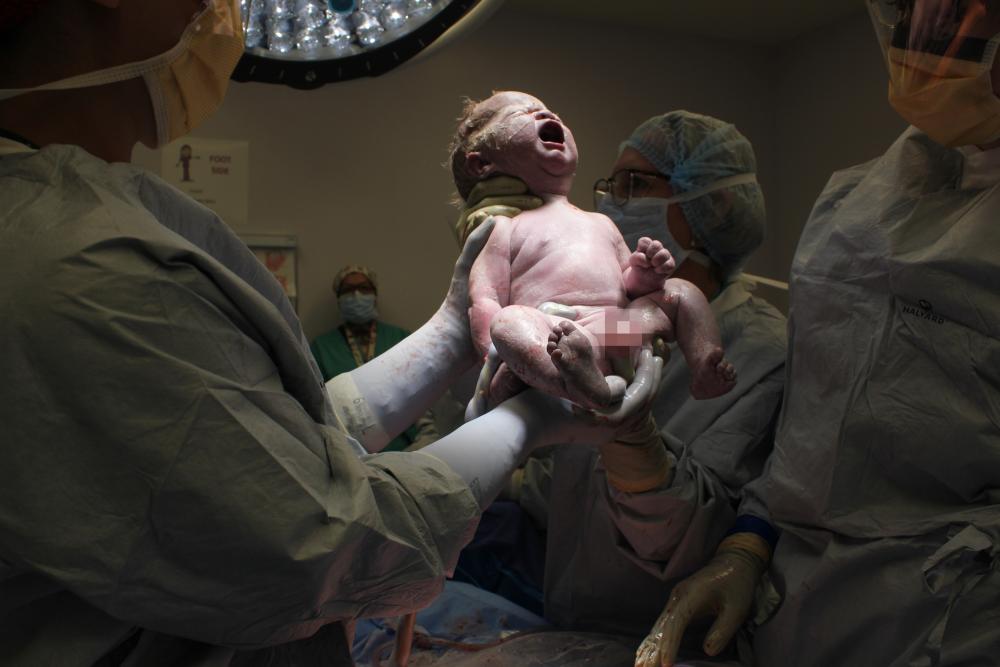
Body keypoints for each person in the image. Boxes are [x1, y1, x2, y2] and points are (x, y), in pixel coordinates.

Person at [0, 2, 664, 665]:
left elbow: (262, 442)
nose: (218, 11)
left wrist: (449, 335)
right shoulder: (72, 259)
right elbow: (312, 542)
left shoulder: (73, 216)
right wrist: (524, 421)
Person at [635, 1, 1000, 665]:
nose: (937, 37)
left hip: (954, 617)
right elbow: (812, 434)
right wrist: (747, 544)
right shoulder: (856, 202)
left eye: (969, 13)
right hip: (787, 606)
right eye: (923, 11)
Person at [453, 110, 787, 647]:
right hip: (566, 613)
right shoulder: (607, 314)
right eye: (611, 185)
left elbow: (701, 536)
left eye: (635, 184)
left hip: (668, 636)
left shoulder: (760, 350)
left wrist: (633, 444)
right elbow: (568, 482)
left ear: (712, 205)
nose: (612, 201)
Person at [456, 91, 737, 414]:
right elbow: (485, 295)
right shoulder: (506, 227)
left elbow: (629, 287)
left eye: (548, 109)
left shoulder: (601, 222)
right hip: (556, 340)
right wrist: (495, 354)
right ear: (483, 163)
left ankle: (703, 362)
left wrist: (645, 273)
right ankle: (576, 384)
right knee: (507, 322)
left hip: (618, 329)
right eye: (521, 113)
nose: (545, 114)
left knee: (680, 291)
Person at [310, 265, 438, 452]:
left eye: (364, 288)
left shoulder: (400, 339)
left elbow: (424, 400)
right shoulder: (321, 348)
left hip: (406, 447)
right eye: (347, 290)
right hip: (347, 451)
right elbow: (318, 409)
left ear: (375, 296)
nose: (356, 295)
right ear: (338, 300)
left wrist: (422, 446)